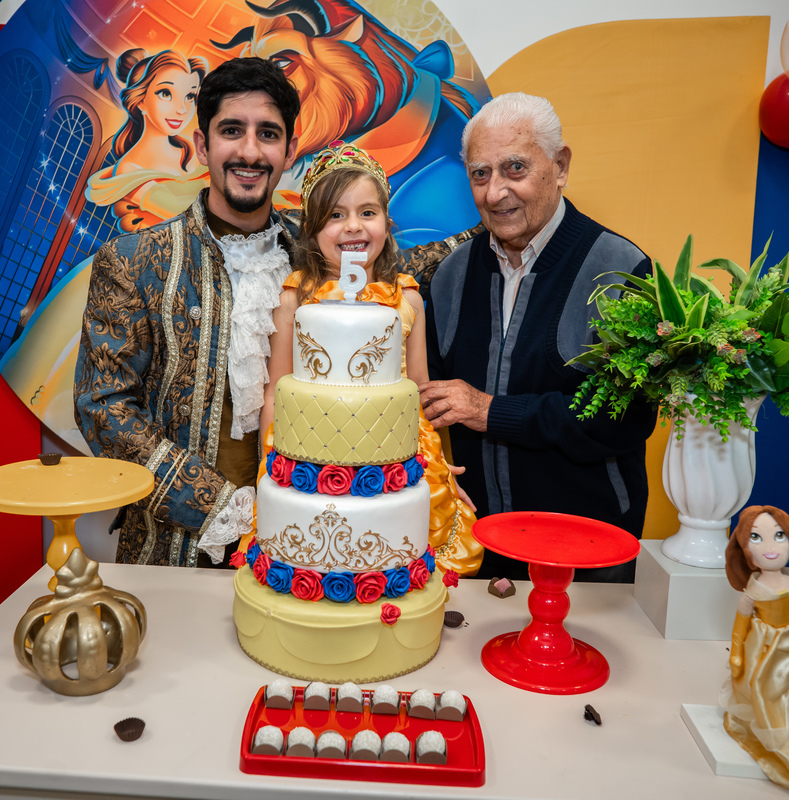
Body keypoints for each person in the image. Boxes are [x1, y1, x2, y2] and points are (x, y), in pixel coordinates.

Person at [74, 58, 470, 568]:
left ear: (289, 148)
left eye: (267, 133)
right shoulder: (134, 261)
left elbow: (400, 271)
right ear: (202, 146)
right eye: (231, 131)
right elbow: (102, 407)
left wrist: (494, 223)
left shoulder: (320, 249)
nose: (250, 151)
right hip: (176, 546)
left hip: (311, 540)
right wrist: (220, 506)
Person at [420, 91, 657, 582]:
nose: (495, 192)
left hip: (588, 555)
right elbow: (426, 408)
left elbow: (626, 419)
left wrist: (490, 411)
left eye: (515, 169)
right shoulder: (449, 276)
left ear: (560, 165)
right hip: (475, 553)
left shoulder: (621, 270)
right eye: (480, 174)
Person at [259, 142, 482, 575]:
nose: (353, 227)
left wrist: (437, 468)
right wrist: (272, 470)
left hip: (396, 464)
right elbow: (275, 394)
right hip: (309, 464)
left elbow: (418, 393)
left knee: (407, 560)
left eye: (367, 212)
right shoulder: (295, 298)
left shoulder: (407, 299)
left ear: (387, 222)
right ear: (312, 229)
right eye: (335, 215)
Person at [720, 505, 789, 793]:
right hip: (763, 650)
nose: (770, 547)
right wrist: (736, 654)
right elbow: (740, 626)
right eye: (756, 538)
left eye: (779, 535)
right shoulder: (752, 592)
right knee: (765, 691)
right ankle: (777, 741)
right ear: (746, 549)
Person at [83, 48, 210, 231]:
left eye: (190, 96)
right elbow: (182, 212)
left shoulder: (191, 149)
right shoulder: (129, 169)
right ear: (140, 100)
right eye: (166, 94)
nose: (182, 109)